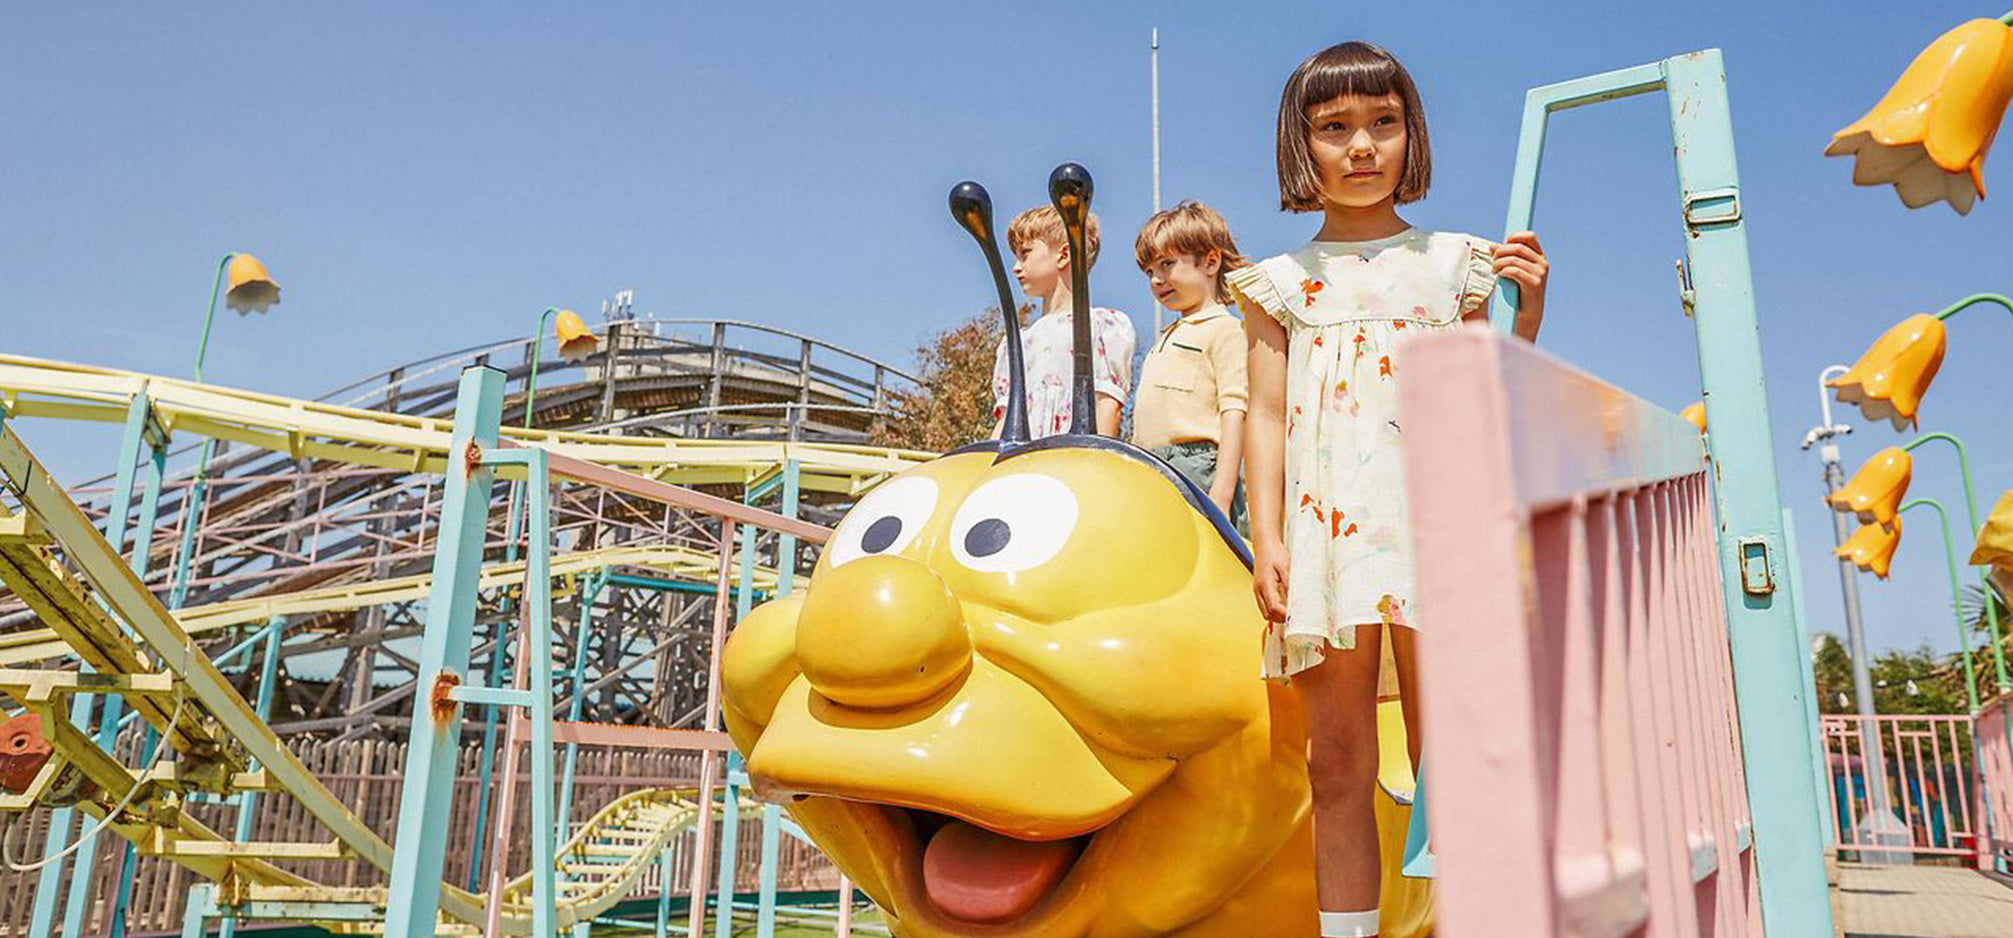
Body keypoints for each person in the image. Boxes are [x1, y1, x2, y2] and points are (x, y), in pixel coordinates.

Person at [1231, 41, 1548, 938]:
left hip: (1437, 527)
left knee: (1455, 761)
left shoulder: (1460, 263)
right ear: (1302, 145)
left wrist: (1530, 309)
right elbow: (1261, 413)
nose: (1362, 146)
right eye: (1335, 128)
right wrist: (1269, 537)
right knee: (1335, 762)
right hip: (1324, 538)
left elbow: (1496, 391)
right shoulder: (1277, 283)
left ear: (1412, 133)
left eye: (1384, 122)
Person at [1129, 201, 1250, 532]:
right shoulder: (1164, 339)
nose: (1156, 279)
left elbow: (1234, 412)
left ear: (1210, 261)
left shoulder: (1225, 329)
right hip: (1151, 467)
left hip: (1196, 470)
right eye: (1150, 272)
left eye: (1167, 264)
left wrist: (1221, 496)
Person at [991, 206, 1136, 438]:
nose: (1016, 267)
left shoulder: (1101, 326)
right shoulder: (1017, 342)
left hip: (1069, 464)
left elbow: (1106, 406)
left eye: (1025, 253)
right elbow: (1005, 421)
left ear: (1064, 254)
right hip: (1020, 466)